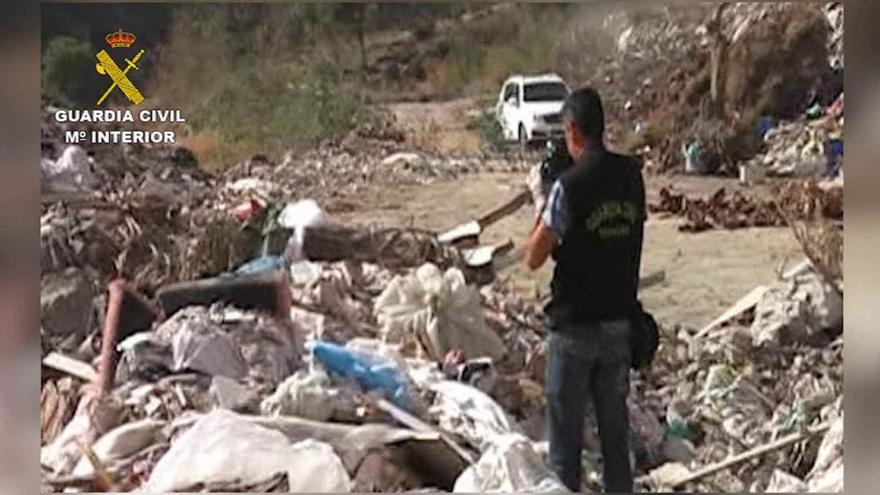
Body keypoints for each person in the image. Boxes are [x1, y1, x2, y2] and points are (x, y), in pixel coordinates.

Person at [524, 87, 645, 493]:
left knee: (565, 448)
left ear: (572, 131)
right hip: (618, 326)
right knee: (615, 442)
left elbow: (534, 256)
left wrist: (544, 195)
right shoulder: (631, 176)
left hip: (574, 328)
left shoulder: (569, 186)